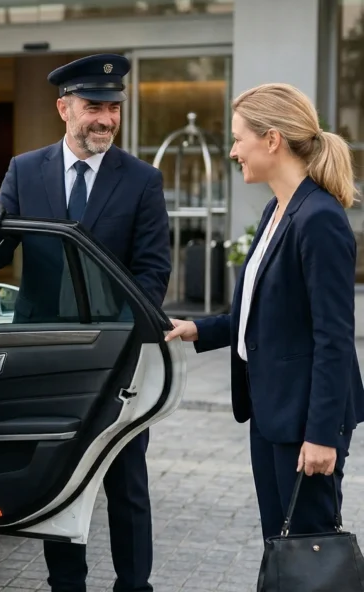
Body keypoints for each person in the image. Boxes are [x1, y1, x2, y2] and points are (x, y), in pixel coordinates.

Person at [0, 53, 171, 592]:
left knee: (127, 482)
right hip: (49, 357)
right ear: (64, 109)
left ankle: (135, 586)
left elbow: (154, 272)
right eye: (93, 107)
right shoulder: (24, 169)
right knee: (59, 478)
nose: (105, 119)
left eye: (113, 108)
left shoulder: (142, 180)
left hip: (117, 359)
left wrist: (120, 338)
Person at [166, 83, 364, 543]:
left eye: (239, 139)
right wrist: (197, 328)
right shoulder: (277, 209)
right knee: (281, 547)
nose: (234, 151)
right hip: (272, 410)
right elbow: (263, 312)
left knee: (308, 552)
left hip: (306, 422)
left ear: (272, 139)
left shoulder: (319, 218)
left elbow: (334, 338)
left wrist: (321, 435)